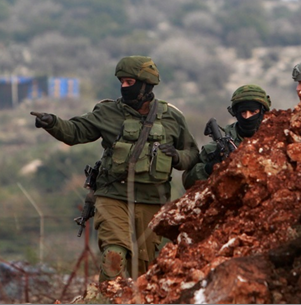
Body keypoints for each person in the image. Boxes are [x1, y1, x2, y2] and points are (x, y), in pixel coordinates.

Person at [30, 55, 199, 282]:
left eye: (129, 82)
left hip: (152, 199)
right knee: (114, 255)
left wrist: (177, 157)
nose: (123, 87)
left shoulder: (172, 117)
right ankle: (107, 298)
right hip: (113, 195)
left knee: (146, 269)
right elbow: (76, 131)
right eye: (121, 82)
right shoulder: (108, 112)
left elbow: (192, 155)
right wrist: (52, 123)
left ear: (145, 85)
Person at [182, 84, 271, 190]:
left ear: (262, 112)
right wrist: (209, 168)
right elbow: (188, 182)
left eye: (253, 112)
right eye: (243, 112)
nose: (247, 117)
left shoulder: (275, 142)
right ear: (236, 113)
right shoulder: (214, 148)